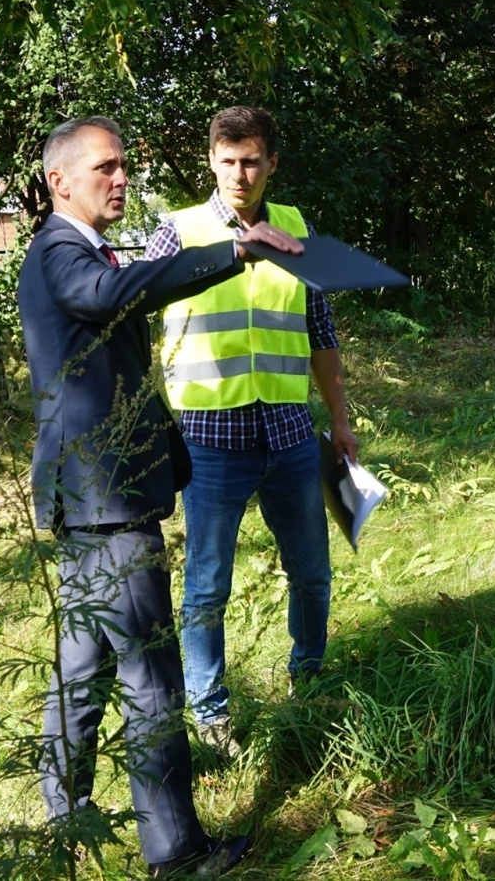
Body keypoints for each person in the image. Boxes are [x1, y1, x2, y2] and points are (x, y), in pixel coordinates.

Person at [18, 115, 302, 877]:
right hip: (106, 504)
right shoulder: (60, 252)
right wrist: (233, 248)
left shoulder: (82, 251)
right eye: (105, 167)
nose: (121, 179)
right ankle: (176, 854)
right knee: (150, 682)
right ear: (60, 181)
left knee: (83, 671)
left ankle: (64, 823)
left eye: (124, 167)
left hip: (95, 502)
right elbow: (115, 292)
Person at [147, 105, 357, 751]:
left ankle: (310, 681)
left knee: (313, 574)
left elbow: (319, 331)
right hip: (211, 443)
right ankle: (211, 717)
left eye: (253, 161)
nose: (240, 174)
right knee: (207, 587)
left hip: (291, 437)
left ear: (272, 163)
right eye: (228, 160)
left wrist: (341, 423)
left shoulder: (295, 229)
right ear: (211, 160)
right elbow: (132, 306)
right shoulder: (175, 232)